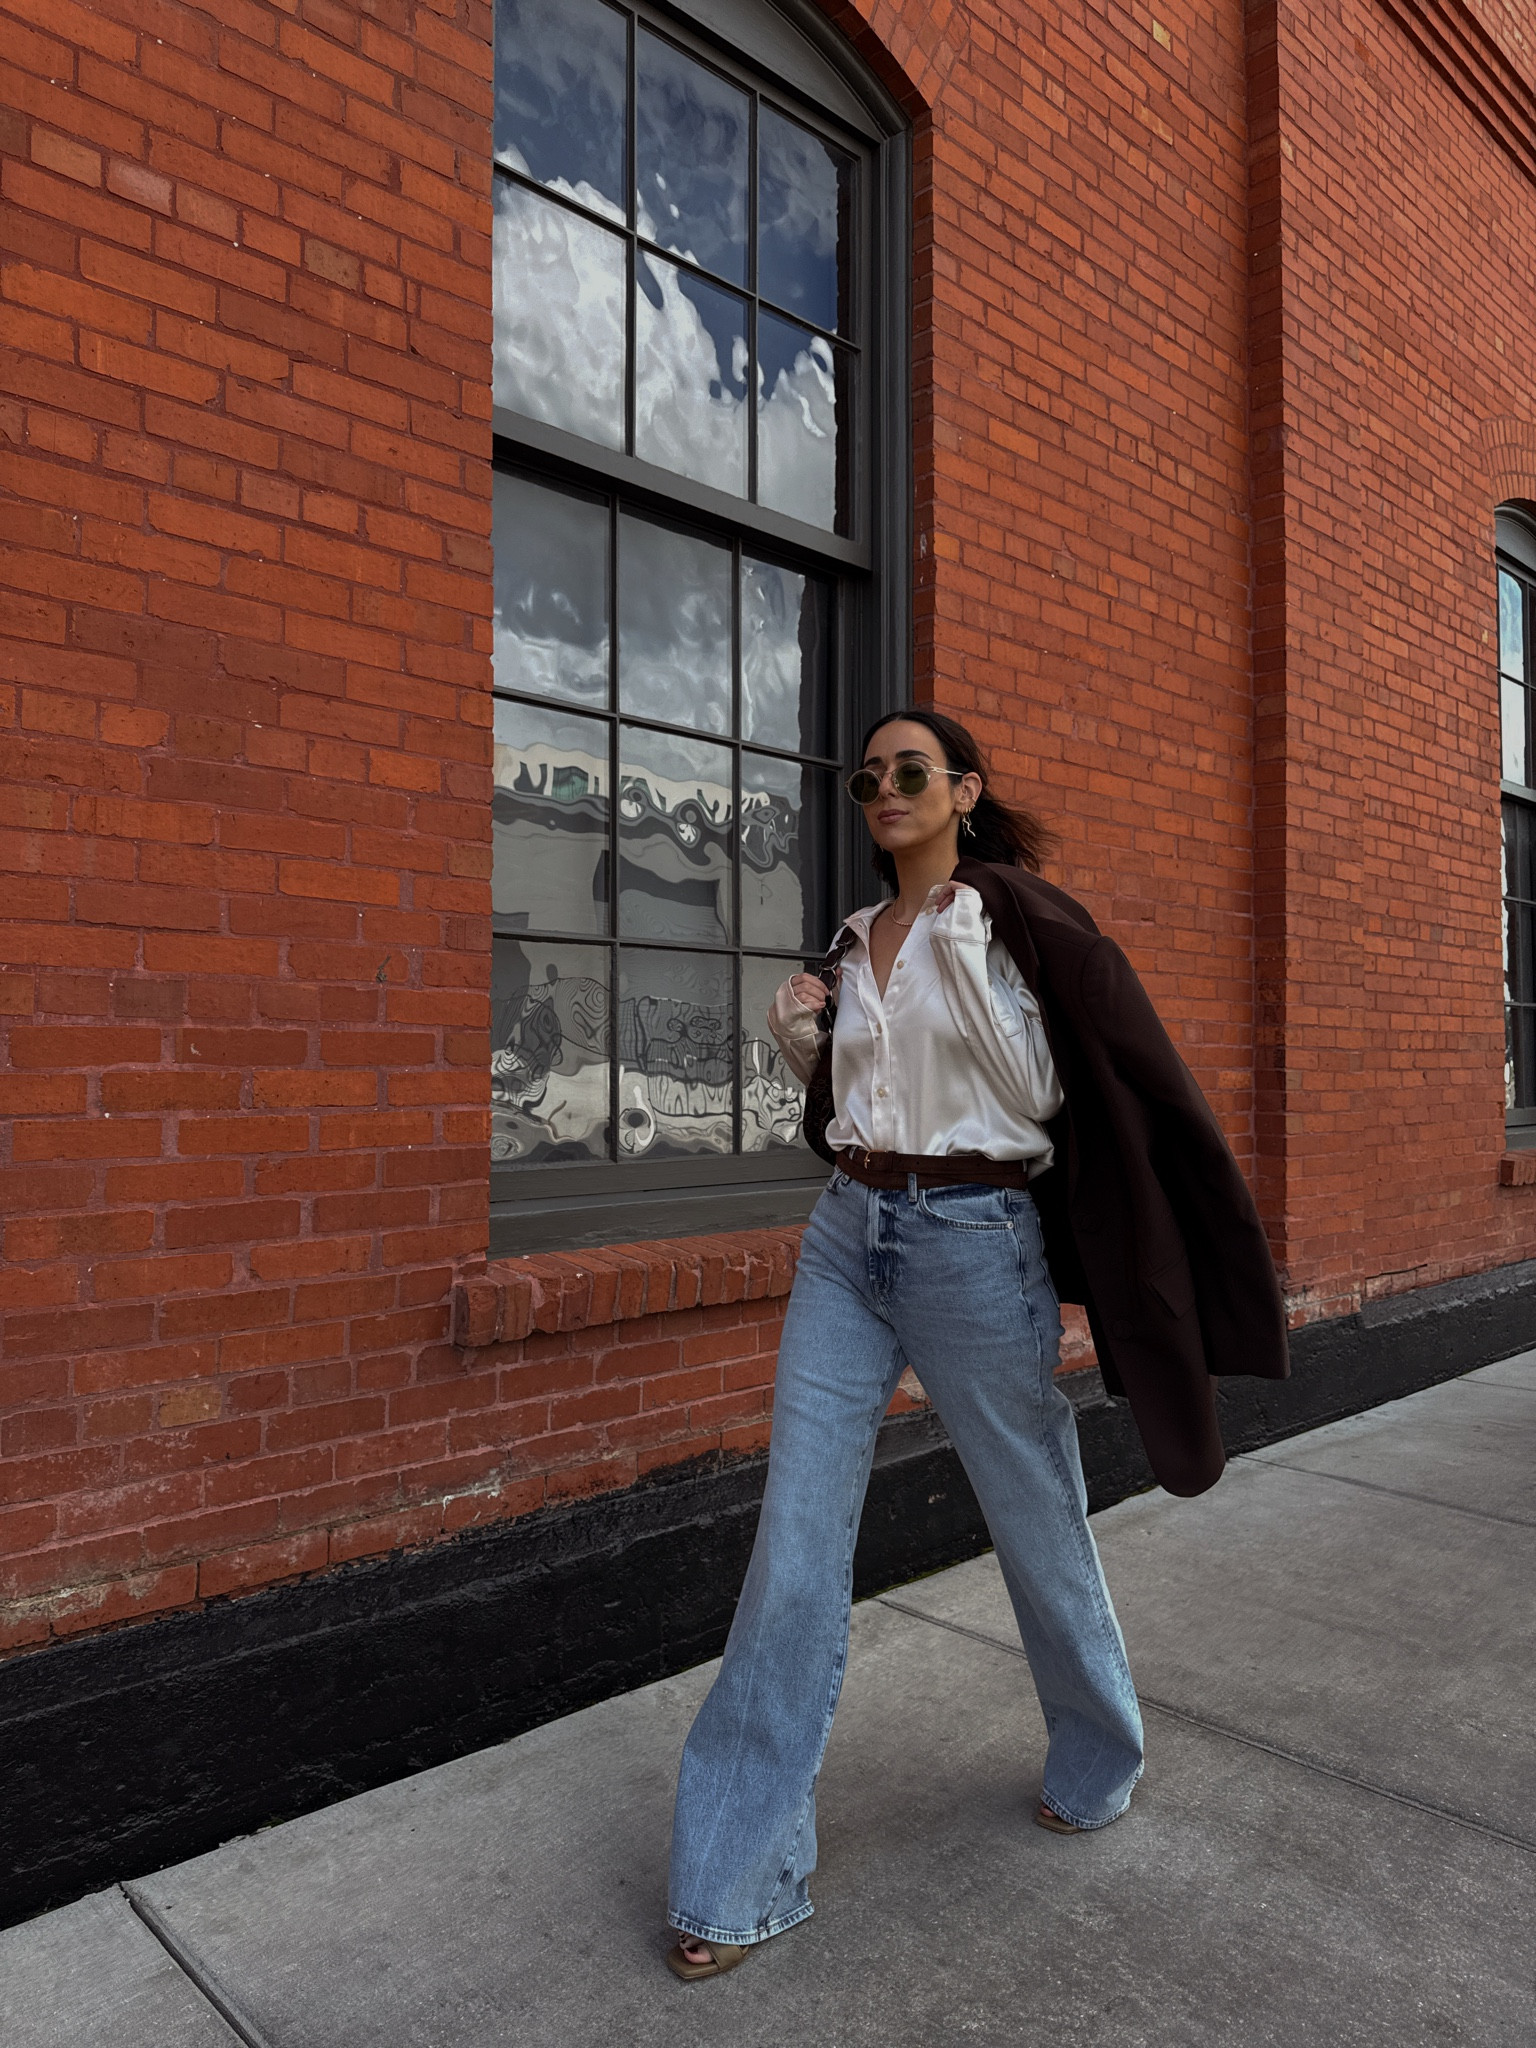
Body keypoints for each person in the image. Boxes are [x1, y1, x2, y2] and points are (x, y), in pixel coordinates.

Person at [663, 709, 1286, 1981]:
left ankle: (1099, 1749)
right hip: (847, 1233)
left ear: (962, 790)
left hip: (971, 1236)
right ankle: (735, 1872)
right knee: (794, 1535)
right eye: (869, 776)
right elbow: (851, 1109)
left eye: (912, 771)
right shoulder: (848, 941)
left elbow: (1091, 1085)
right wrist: (809, 1054)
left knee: (1035, 1510)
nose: (886, 789)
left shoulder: (1011, 918)